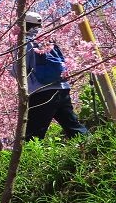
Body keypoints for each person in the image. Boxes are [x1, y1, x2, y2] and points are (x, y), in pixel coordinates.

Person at [11, 11, 89, 141]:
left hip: (41, 92)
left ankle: (30, 160)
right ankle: (93, 146)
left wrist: (11, 69)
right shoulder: (48, 40)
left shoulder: (25, 43)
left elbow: (19, 71)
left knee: (32, 135)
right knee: (73, 126)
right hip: (62, 88)